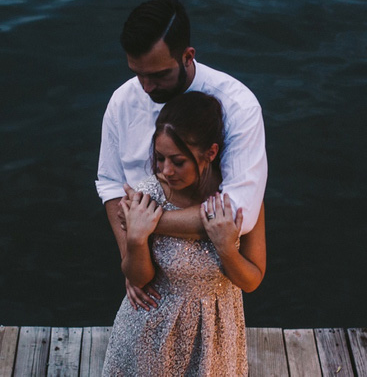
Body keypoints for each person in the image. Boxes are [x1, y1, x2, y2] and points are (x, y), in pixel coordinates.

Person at [96, 0, 268, 309]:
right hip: (147, 284)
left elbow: (238, 215)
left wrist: (146, 222)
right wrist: (130, 259)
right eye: (138, 73)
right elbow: (110, 182)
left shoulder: (239, 107)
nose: (146, 87)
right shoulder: (122, 102)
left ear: (188, 56)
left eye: (159, 75)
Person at [101, 92, 266, 375]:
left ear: (210, 153)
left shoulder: (240, 201)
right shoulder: (148, 195)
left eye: (178, 161)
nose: (166, 171)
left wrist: (227, 249)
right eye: (160, 158)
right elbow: (139, 278)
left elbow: (251, 281)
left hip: (215, 340)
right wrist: (137, 238)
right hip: (150, 337)